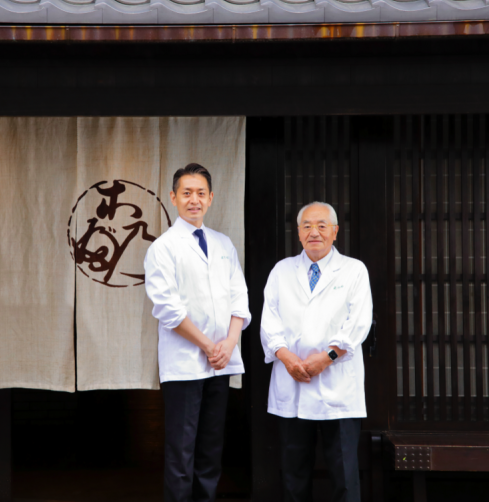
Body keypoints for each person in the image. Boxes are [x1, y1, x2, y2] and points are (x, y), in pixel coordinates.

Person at [144, 163, 251, 502]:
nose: (194, 200)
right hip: (185, 364)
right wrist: (208, 345)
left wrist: (229, 343)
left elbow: (239, 297)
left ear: (211, 198)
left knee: (210, 449)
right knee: (181, 452)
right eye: (187, 193)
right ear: (173, 197)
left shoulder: (223, 243)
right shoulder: (163, 247)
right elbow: (168, 308)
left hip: (221, 362)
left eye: (201, 193)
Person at [260, 201, 373, 502]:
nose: (314, 232)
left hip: (338, 386)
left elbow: (358, 323)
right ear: (298, 233)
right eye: (307, 226)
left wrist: (327, 357)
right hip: (293, 380)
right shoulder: (282, 270)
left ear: (335, 232)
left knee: (344, 475)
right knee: (293, 475)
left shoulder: (354, 270)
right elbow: (269, 322)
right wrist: (287, 358)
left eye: (322, 226)